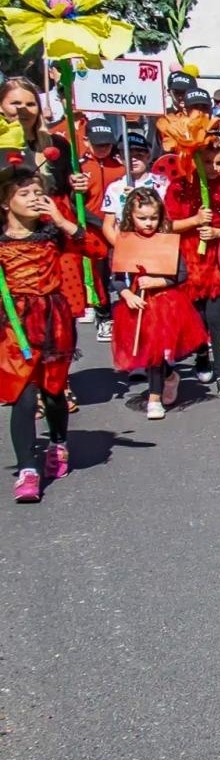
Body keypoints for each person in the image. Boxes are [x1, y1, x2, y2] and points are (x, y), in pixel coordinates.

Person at [0, 150, 84, 502]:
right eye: (24, 193)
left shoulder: (53, 234)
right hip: (12, 323)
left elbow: (92, 248)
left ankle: (59, 442)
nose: (34, 198)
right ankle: (27, 470)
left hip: (53, 320)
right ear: (5, 204)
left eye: (38, 191)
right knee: (22, 394)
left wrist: (63, 220)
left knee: (52, 392)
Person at [109, 187, 206, 420]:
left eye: (154, 218)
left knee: (158, 350)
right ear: (130, 217)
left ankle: (154, 397)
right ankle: (170, 376)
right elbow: (116, 277)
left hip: (166, 303)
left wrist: (158, 280)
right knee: (149, 350)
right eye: (142, 218)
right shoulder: (125, 241)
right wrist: (126, 295)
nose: (149, 223)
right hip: (138, 303)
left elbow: (181, 274)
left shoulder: (166, 241)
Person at [168, 137, 220, 394]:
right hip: (188, 262)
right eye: (207, 162)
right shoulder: (179, 187)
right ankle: (202, 355)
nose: (214, 168)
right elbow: (166, 225)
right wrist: (195, 220)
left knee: (218, 318)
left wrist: (218, 232)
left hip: (219, 264)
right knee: (196, 319)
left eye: (219, 162)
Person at [80, 118, 125, 342]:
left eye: (106, 144)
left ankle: (124, 312)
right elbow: (74, 202)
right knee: (99, 275)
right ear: (86, 141)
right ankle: (103, 316)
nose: (102, 148)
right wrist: (96, 222)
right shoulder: (80, 168)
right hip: (93, 230)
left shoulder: (120, 167)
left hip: (117, 229)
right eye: (98, 144)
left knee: (118, 271)